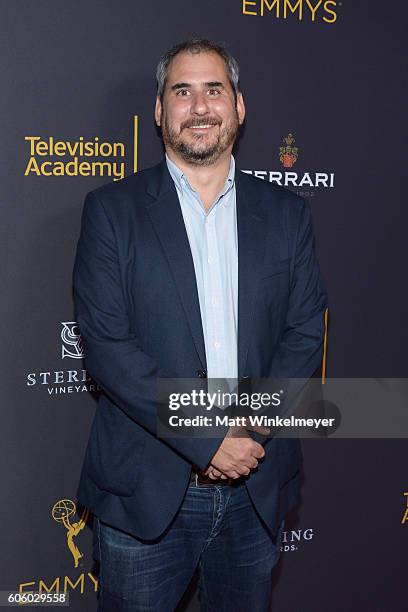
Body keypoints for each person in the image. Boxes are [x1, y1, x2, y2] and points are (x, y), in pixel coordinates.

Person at [73, 39, 328, 612]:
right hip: (146, 495)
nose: (200, 106)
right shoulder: (111, 212)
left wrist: (248, 432)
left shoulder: (288, 214)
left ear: (239, 107)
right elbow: (109, 349)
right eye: (181, 92)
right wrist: (209, 438)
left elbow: (305, 331)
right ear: (160, 112)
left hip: (255, 488)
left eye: (214, 89)